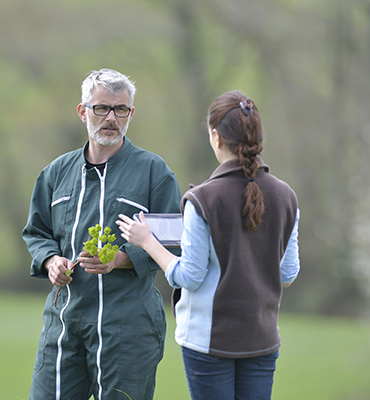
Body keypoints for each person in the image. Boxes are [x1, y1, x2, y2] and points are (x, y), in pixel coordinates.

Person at [117, 90, 300, 400]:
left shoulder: (202, 200)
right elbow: (289, 272)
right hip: (262, 338)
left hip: (208, 341)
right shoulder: (287, 196)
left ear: (216, 137)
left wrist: (147, 242)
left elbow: (189, 276)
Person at [21, 68, 181, 400]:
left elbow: (173, 241)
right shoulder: (56, 173)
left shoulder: (155, 172)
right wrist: (51, 260)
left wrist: (121, 259)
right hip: (64, 323)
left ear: (130, 114)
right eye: (101, 108)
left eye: (120, 109)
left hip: (128, 326)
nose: (111, 117)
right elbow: (36, 232)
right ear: (83, 112)